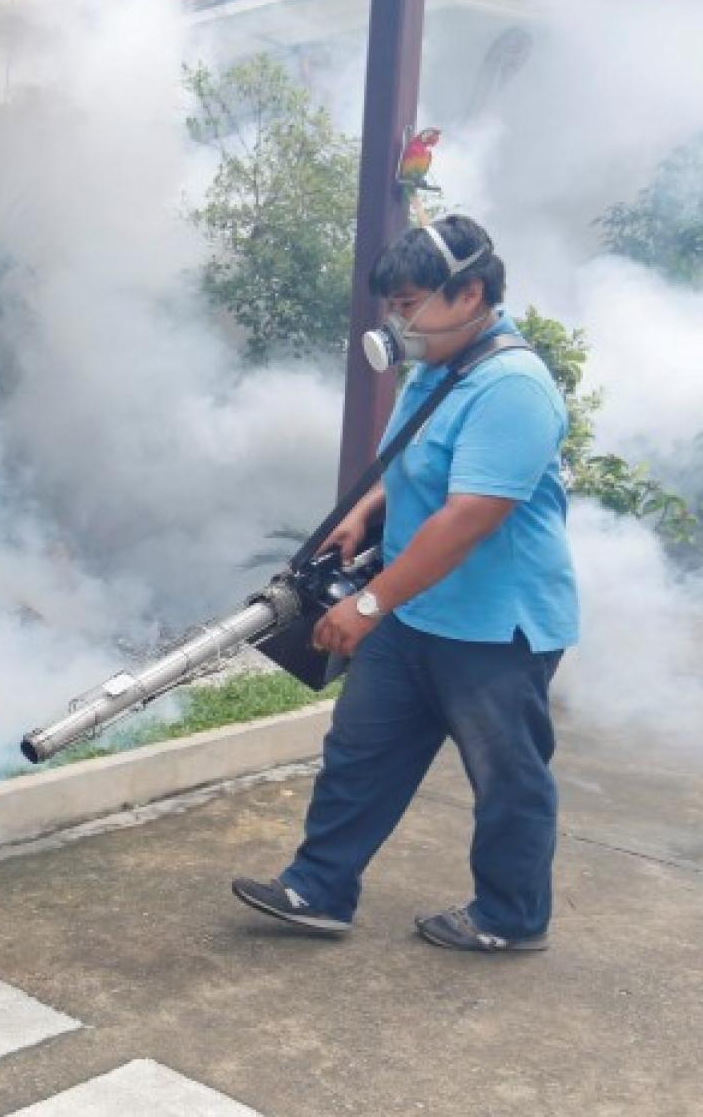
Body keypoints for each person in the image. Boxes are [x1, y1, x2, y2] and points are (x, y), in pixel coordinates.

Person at [233, 214, 577, 952]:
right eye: (391, 304)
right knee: (360, 749)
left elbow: (468, 517)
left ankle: (510, 918)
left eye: (409, 301)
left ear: (471, 293)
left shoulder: (513, 387)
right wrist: (363, 512)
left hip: (494, 627)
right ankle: (317, 887)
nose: (396, 318)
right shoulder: (436, 365)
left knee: (506, 778)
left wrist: (370, 601)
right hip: (415, 609)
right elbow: (417, 463)